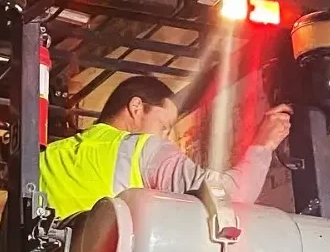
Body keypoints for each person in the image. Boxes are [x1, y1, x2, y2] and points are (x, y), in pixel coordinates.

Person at [39, 75, 293, 219]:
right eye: (164, 126)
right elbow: (229, 196)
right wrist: (263, 145)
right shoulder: (141, 149)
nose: (167, 139)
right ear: (136, 108)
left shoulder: (47, 157)